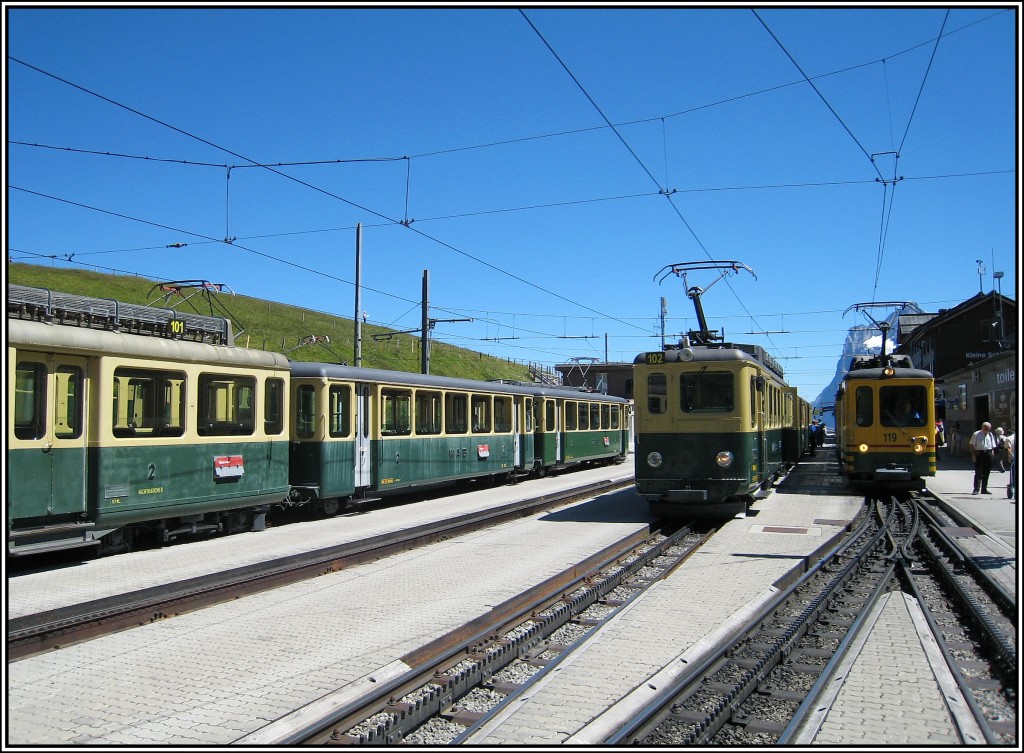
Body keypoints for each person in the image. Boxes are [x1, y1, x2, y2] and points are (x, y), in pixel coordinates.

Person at [968, 422, 997, 495]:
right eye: (986, 429)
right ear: (982, 428)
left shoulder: (990, 434)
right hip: (979, 454)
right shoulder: (976, 434)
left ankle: (984, 489)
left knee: (987, 472)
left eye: (989, 429)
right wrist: (973, 455)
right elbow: (971, 444)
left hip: (988, 453)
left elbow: (993, 445)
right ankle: (976, 489)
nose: (987, 431)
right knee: (978, 472)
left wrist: (992, 452)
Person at [1005, 427, 1016, 500]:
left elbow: (1009, 449)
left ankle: (1013, 490)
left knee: (1013, 476)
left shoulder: (1009, 438)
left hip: (1014, 459)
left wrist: (1009, 458)